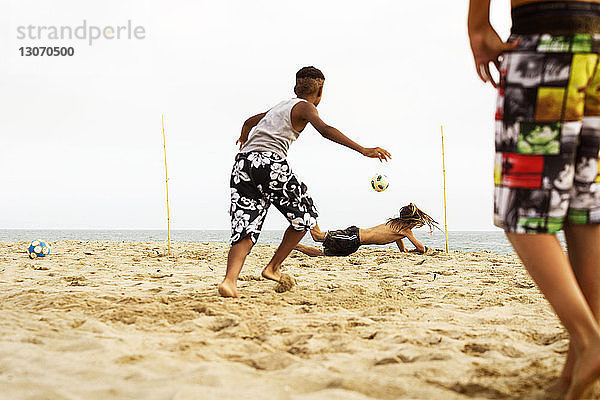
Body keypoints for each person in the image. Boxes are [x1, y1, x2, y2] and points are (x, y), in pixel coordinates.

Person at [468, 1, 600, 398]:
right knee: (584, 211)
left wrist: (477, 24)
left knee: (520, 215)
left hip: (547, 37)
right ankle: (574, 371)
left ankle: (590, 341)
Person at [219, 66, 392, 298]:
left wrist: (244, 137)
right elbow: (325, 130)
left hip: (243, 165)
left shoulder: (281, 106)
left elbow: (249, 122)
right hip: (269, 162)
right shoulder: (306, 107)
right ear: (320, 92)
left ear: (295, 87)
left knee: (246, 224)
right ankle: (273, 268)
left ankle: (230, 281)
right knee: (305, 216)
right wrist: (362, 149)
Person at [294, 203, 437, 257]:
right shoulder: (404, 230)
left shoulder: (398, 229)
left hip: (354, 244)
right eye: (415, 223)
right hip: (354, 237)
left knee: (322, 254)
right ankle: (309, 211)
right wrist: (424, 250)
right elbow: (420, 248)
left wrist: (407, 251)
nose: (415, 226)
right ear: (410, 221)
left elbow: (402, 249)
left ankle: (295, 246)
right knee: (317, 237)